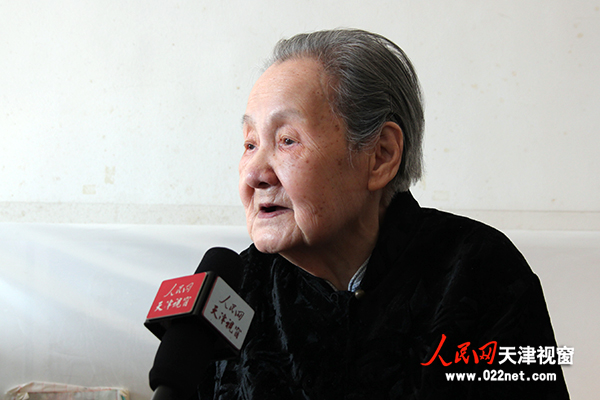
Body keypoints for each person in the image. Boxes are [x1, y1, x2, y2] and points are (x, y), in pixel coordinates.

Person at [198, 29, 569, 399]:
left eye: (287, 140)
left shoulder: (478, 272)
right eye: (250, 144)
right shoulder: (237, 288)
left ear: (381, 156)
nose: (254, 174)